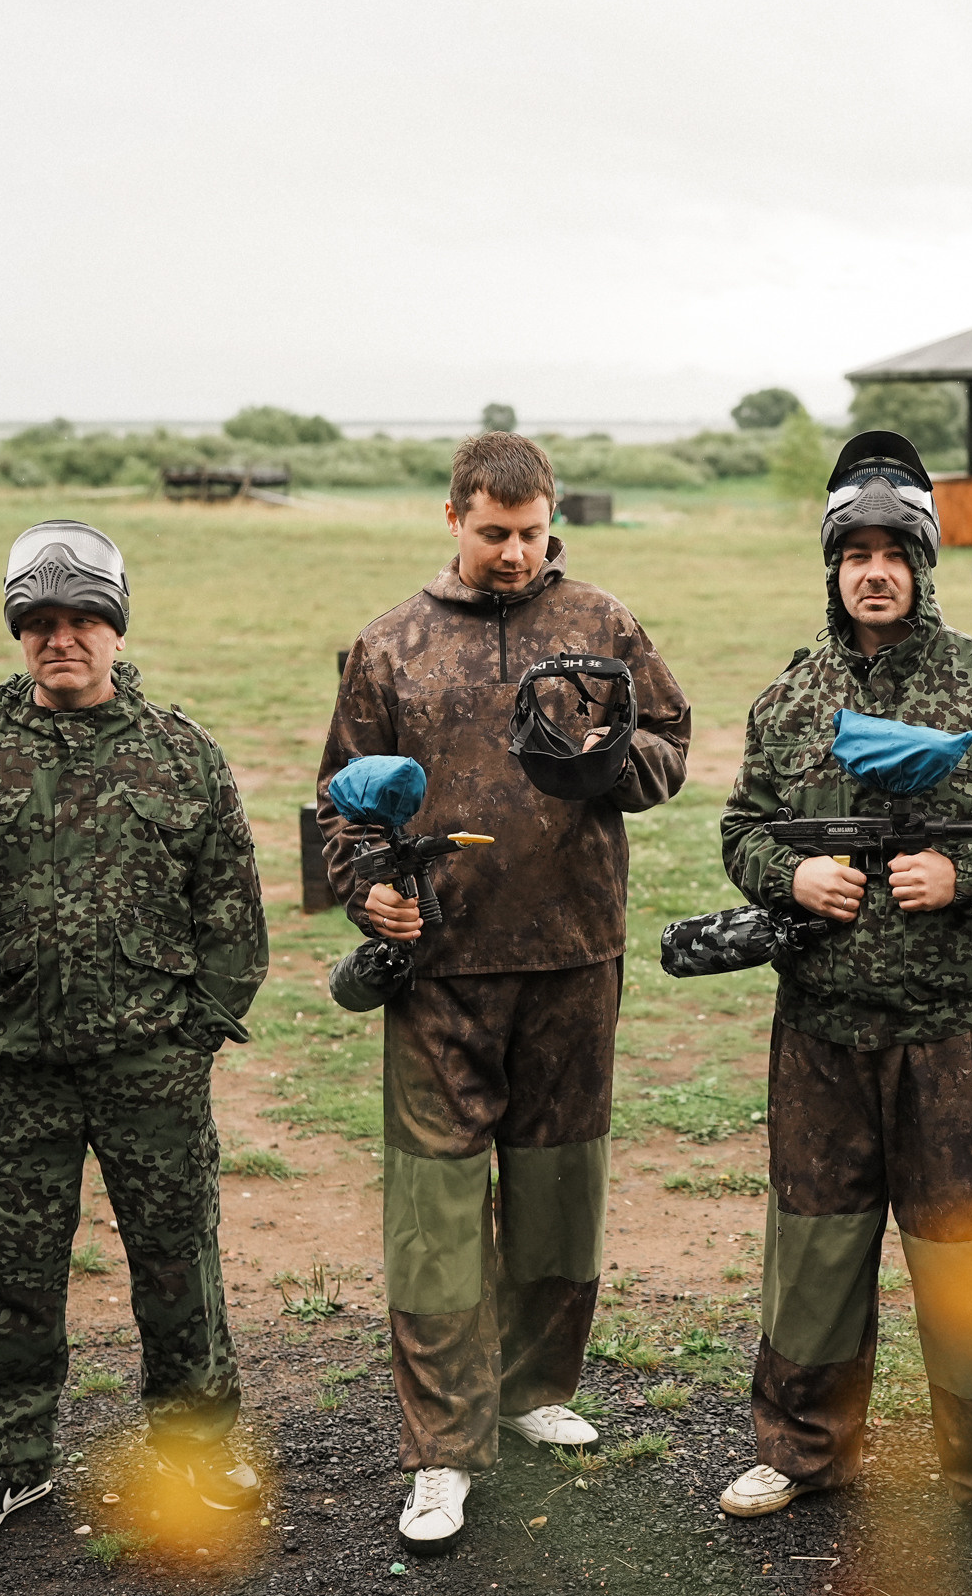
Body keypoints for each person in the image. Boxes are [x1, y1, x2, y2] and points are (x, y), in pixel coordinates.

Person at [315, 430, 691, 1549]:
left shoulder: (604, 625)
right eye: (494, 534)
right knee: (435, 1215)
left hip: (576, 957)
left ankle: (532, 1391)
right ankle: (441, 1452)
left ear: (551, 519)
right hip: (441, 973)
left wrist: (612, 764)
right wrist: (372, 894)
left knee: (556, 1193)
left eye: (531, 534)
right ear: (452, 520)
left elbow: (669, 742)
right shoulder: (388, 647)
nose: (515, 553)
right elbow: (343, 803)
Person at [0, 521, 269, 1542]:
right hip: (10, 1069)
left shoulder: (180, 754)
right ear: (20, 634)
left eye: (83, 619)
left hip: (149, 1071)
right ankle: (5, 1464)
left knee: (178, 1264)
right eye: (40, 622)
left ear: (115, 628)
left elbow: (234, 917)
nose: (63, 639)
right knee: (8, 1271)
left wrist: (191, 1039)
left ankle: (196, 1449)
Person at [715, 431, 972, 1557]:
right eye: (854, 553)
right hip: (820, 1029)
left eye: (895, 551)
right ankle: (801, 1447)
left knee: (967, 1251)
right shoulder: (792, 696)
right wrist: (791, 873)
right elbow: (740, 829)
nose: (874, 570)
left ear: (923, 562)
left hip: (951, 1030)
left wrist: (971, 876)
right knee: (817, 1249)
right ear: (831, 566)